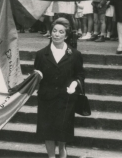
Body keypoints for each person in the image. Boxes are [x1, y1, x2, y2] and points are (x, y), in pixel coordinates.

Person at [34, 18, 85, 158]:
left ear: (66, 35)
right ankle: (51, 156)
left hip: (65, 99)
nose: (57, 34)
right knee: (48, 131)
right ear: (50, 33)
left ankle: (62, 153)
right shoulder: (41, 54)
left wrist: (75, 84)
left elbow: (80, 74)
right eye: (54, 31)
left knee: (62, 133)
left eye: (61, 32)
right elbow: (36, 75)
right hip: (47, 99)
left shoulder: (74, 55)